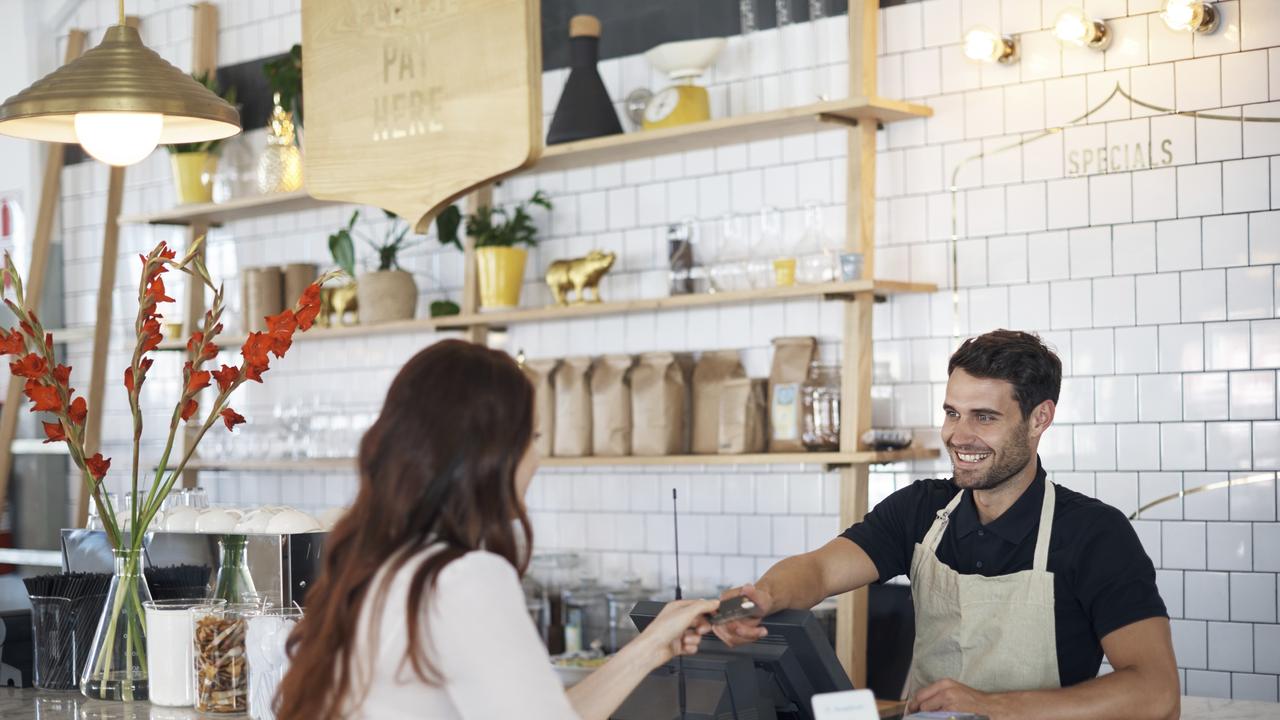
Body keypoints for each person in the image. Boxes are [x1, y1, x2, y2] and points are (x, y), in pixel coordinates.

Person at [714, 330, 1179, 720]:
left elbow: (1157, 693)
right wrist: (765, 596)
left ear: (1040, 418)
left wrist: (990, 706)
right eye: (952, 412)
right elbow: (818, 571)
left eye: (985, 417)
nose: (958, 435)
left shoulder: (1095, 534)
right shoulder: (921, 510)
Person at [276, 340, 719, 720]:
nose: (538, 460)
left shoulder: (381, 564)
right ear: (488, 454)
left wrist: (652, 645)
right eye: (532, 439)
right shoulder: (464, 579)